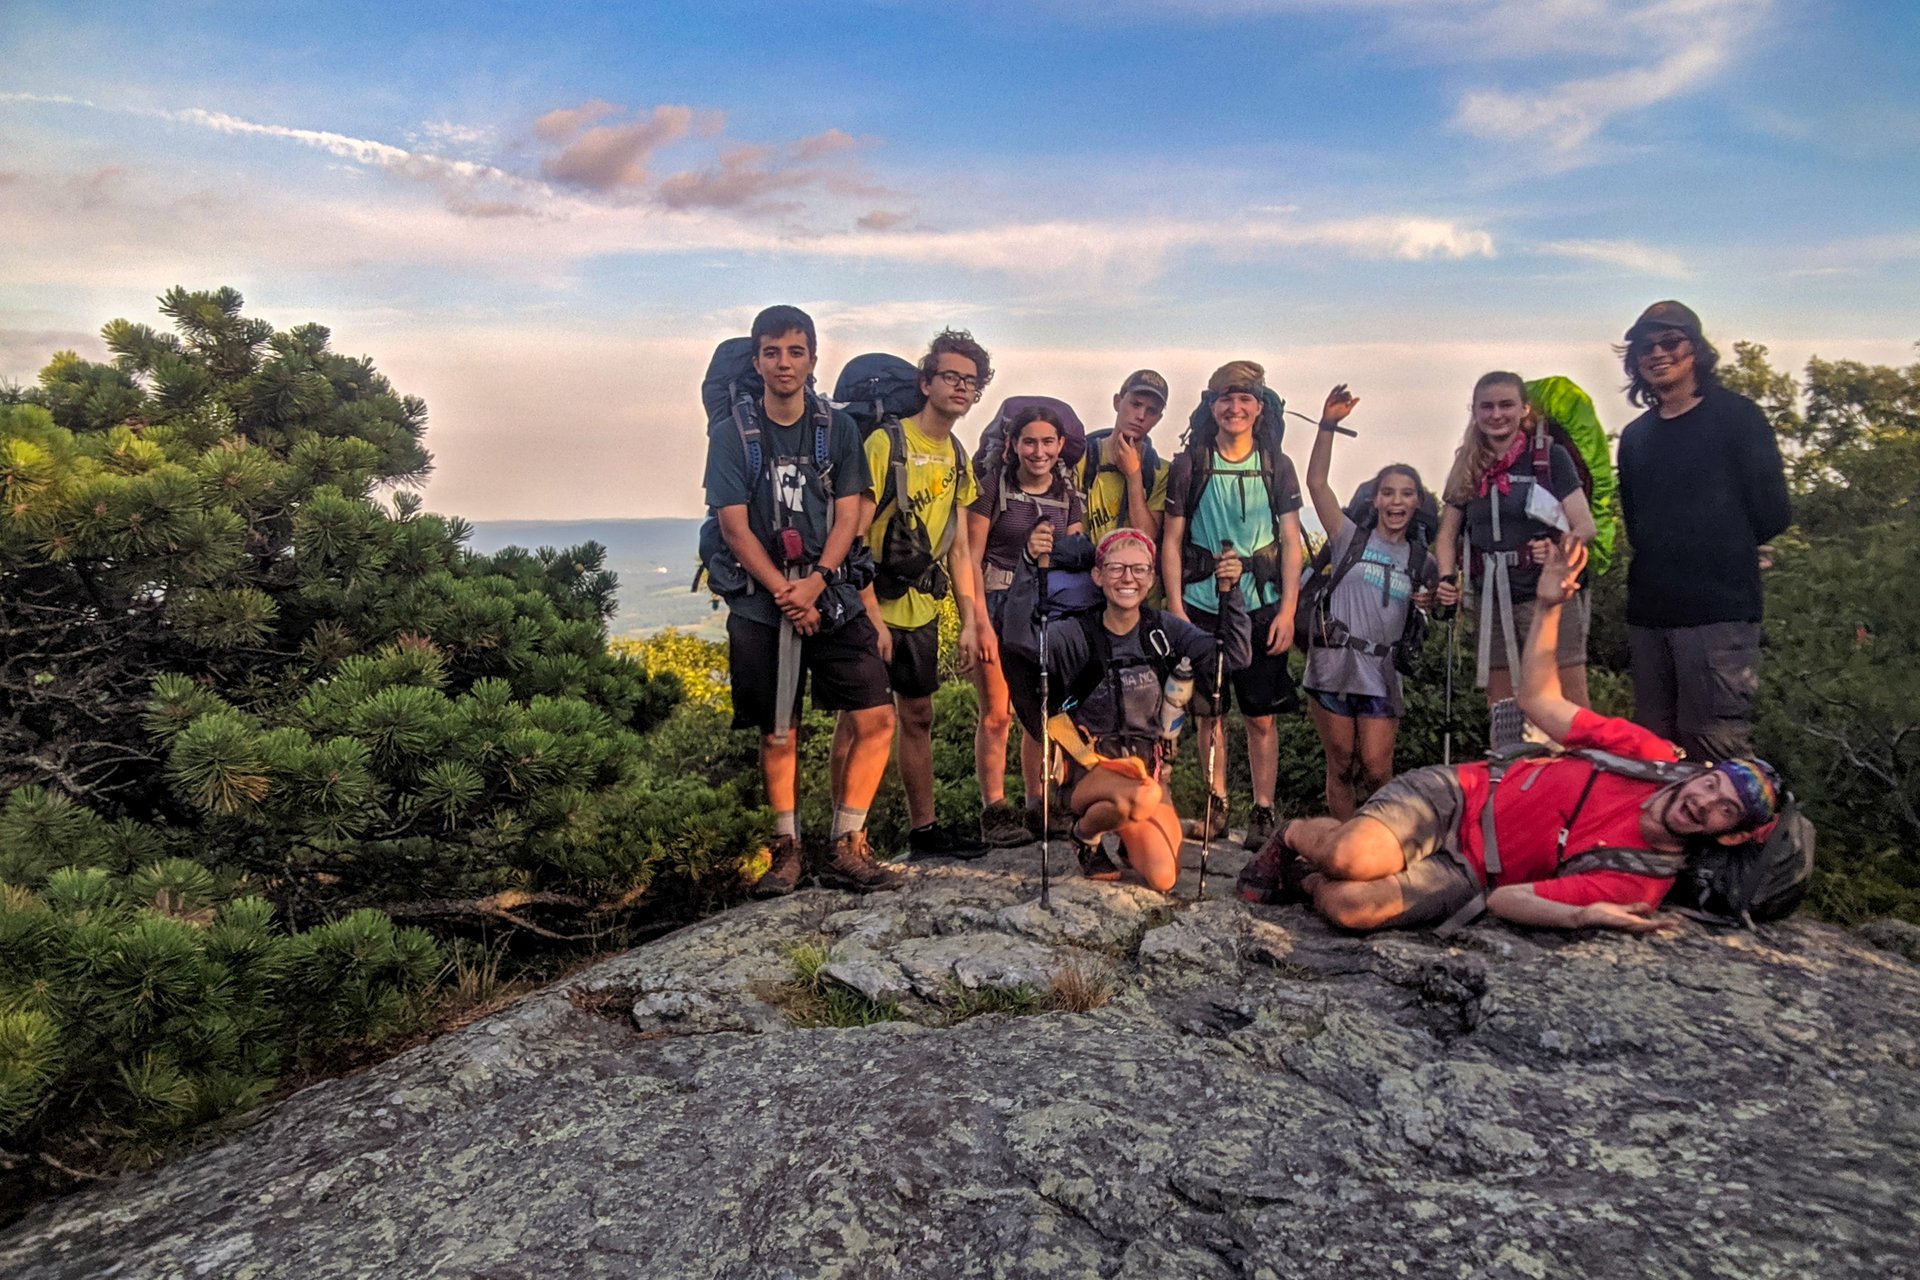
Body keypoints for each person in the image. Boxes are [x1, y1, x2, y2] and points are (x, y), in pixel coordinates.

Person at [1238, 538, 1785, 934]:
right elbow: (1539, 702)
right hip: (1462, 795)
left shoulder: (1639, 881)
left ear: (1731, 835)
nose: (1704, 801)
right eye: (1716, 785)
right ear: (1708, 773)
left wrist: (1584, 915)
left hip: (1476, 868)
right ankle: (1293, 836)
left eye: (1725, 811)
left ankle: (1306, 880)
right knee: (1354, 859)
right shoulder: (1649, 757)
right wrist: (1549, 607)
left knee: (1352, 908)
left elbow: (1508, 899)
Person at [702, 305, 900, 895]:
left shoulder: (835, 428)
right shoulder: (732, 433)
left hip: (829, 590)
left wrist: (816, 580)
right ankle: (786, 850)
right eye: (771, 352)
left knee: (875, 717)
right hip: (763, 599)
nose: (783, 363)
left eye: (795, 351)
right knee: (779, 731)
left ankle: (847, 843)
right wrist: (786, 593)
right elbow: (734, 525)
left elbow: (850, 512)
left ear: (813, 359)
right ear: (757, 359)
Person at [1003, 528, 1253, 892]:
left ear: (1151, 578)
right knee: (1142, 796)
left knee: (1164, 878)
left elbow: (1231, 657)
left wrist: (1234, 593)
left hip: (1148, 773)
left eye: (1139, 570)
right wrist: (1027, 564)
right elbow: (1020, 641)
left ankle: (1126, 834)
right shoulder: (1077, 635)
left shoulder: (1163, 631)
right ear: (1098, 576)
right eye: (1117, 569)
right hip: (1089, 771)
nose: (1128, 579)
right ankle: (1084, 834)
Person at [1616, 301, 1792, 763]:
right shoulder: (1636, 437)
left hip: (1719, 614)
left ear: (1695, 349)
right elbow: (1637, 525)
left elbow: (1773, 511)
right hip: (1651, 614)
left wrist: (1723, 548)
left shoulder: (1737, 417)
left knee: (1718, 751)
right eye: (1645, 347)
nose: (1657, 354)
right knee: (1650, 752)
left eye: (1670, 342)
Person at [844, 327, 991, 859]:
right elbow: (853, 536)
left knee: (918, 715)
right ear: (925, 382)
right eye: (950, 376)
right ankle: (844, 840)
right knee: (859, 720)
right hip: (872, 604)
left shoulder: (956, 454)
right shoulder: (887, 443)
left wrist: (970, 619)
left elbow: (956, 549)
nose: (961, 388)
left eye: (971, 382)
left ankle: (923, 830)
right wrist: (870, 617)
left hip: (921, 606)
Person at [1162, 360, 1305, 853]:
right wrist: (1176, 608)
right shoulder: (1190, 464)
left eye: (1244, 399)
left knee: (1261, 715)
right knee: (1210, 713)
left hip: (1262, 604)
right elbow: (1172, 539)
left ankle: (1263, 810)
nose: (1234, 407)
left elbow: (1290, 539)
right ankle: (1215, 804)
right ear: (1212, 406)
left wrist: (1288, 610)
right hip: (1202, 604)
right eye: (1225, 398)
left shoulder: (1275, 464)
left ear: (1259, 408)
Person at [1299, 385, 1437, 819]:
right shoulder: (1347, 538)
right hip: (1332, 662)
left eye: (1406, 493)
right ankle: (1343, 845)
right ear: (1375, 499)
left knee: (1377, 768)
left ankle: (1379, 839)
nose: (1396, 501)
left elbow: (1441, 605)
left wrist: (1434, 600)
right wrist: (1328, 425)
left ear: (1417, 502)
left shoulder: (1423, 559)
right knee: (1341, 763)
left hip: (1381, 671)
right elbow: (1317, 483)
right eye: (1389, 492)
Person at [1434, 370, 1598, 709]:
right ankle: (1510, 762)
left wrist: (1556, 548)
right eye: (1487, 407)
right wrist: (1446, 578)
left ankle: (1576, 762)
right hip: (1490, 599)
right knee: (1503, 706)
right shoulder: (1467, 463)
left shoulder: (1549, 457)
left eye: (1506, 405)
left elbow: (1585, 526)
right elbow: (1447, 533)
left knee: (1569, 701)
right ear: (1475, 412)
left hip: (1548, 596)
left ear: (1524, 409)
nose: (1496, 415)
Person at [966, 403, 1086, 847]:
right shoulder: (991, 489)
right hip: (997, 600)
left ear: (1060, 447)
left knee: (1039, 713)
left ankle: (1039, 805)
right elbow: (970, 557)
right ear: (1013, 445)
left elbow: (1073, 559)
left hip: (1044, 607)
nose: (1039, 452)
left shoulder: (1069, 495)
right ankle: (995, 809)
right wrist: (975, 620)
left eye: (1048, 442)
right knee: (997, 713)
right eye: (1029, 442)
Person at [1079, 370, 1171, 545]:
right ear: (1117, 402)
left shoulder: (1160, 471)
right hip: (1086, 566)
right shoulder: (1083, 458)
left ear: (1158, 419)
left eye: (1151, 411)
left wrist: (1134, 476)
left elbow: (1147, 538)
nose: (1141, 416)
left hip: (1132, 570)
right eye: (1135, 404)